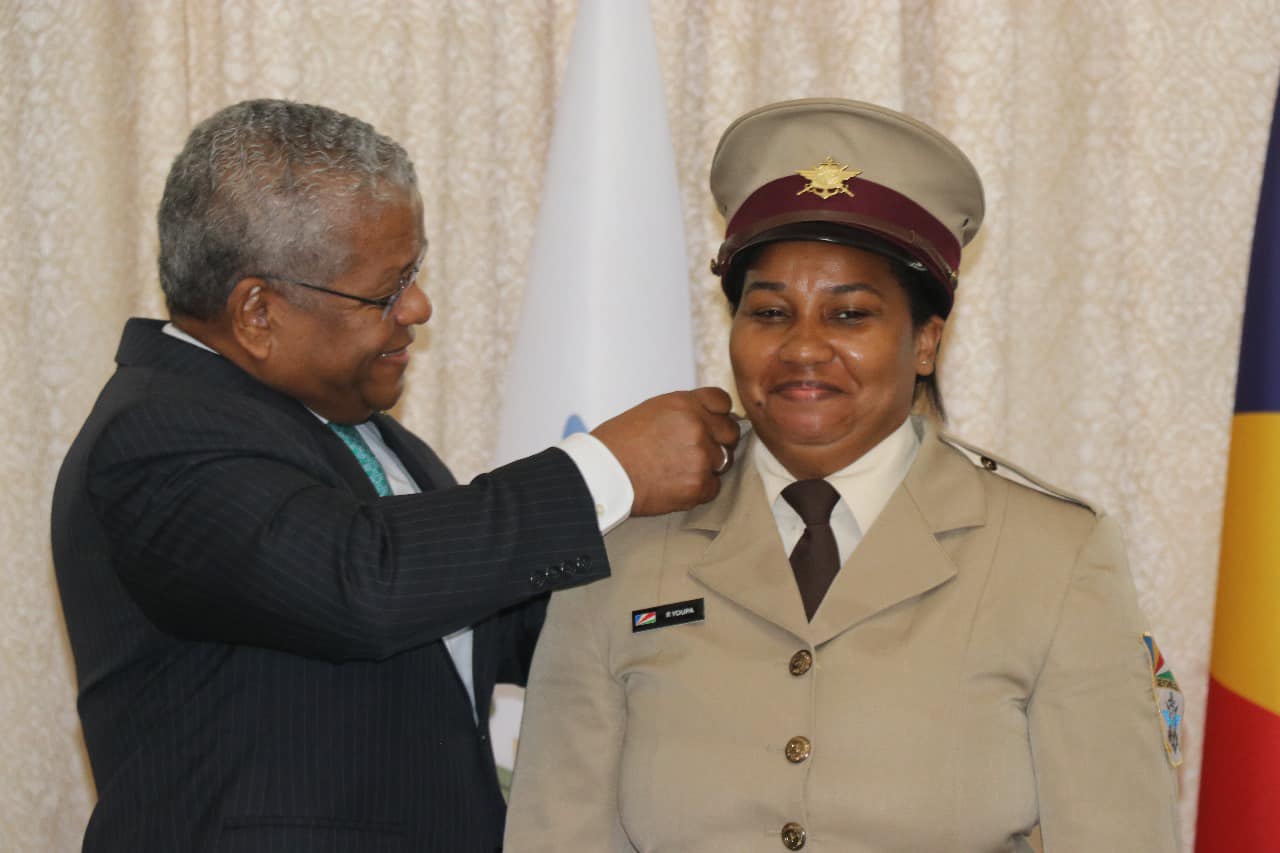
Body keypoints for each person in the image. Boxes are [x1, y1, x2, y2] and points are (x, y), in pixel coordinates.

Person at [50, 98, 740, 853]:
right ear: (257, 312)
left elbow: (500, 622)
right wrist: (606, 468)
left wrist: (714, 577)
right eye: (387, 288)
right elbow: (362, 584)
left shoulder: (363, 437)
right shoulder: (156, 432)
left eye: (415, 272)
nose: (418, 306)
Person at [504, 98, 1183, 852]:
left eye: (850, 314)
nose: (802, 348)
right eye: (770, 313)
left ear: (925, 341)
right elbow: (555, 831)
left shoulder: (1052, 556)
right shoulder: (624, 546)